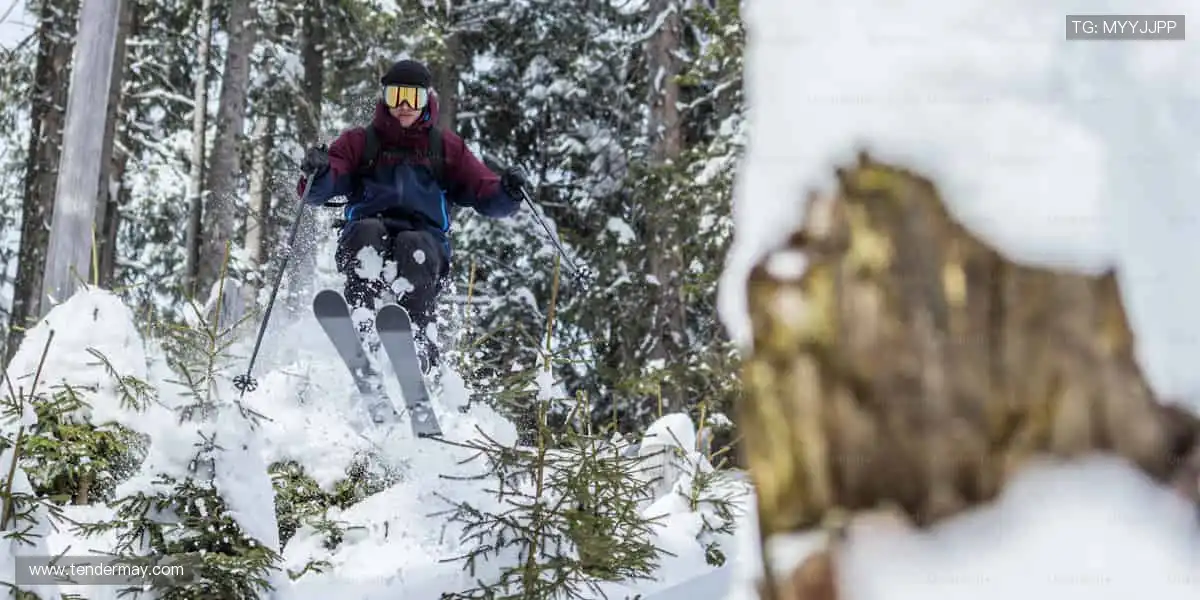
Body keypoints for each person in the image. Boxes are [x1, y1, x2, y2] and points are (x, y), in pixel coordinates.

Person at [298, 58, 526, 372]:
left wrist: (507, 191)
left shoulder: (444, 147)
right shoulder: (360, 143)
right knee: (366, 232)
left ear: (426, 100)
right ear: (385, 99)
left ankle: (419, 341)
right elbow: (322, 185)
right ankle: (360, 320)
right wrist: (320, 171)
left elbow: (482, 188)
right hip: (368, 230)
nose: (404, 105)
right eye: (396, 96)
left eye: (413, 97)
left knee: (413, 245)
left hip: (425, 241)